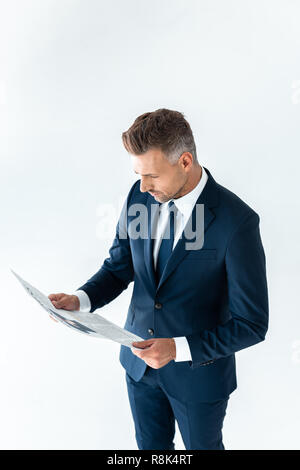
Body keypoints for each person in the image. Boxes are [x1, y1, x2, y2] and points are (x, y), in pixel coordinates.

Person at [48, 108, 269, 450]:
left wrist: (178, 348)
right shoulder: (140, 198)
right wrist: (81, 299)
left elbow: (252, 323)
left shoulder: (236, 222)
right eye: (138, 173)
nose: (142, 185)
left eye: (151, 175)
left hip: (199, 378)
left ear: (184, 162)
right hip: (138, 369)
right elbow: (120, 266)